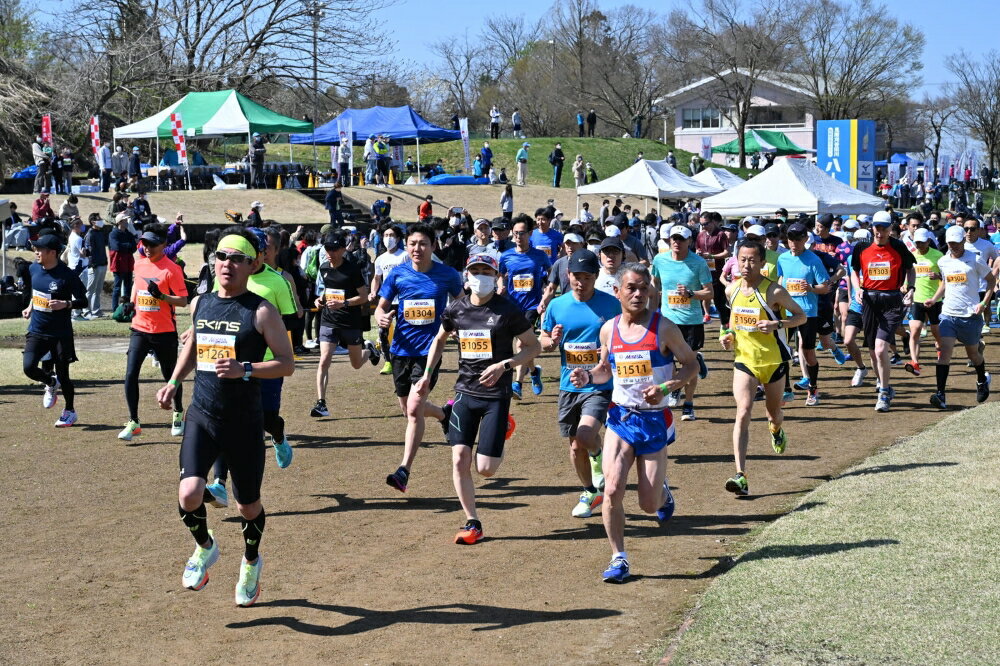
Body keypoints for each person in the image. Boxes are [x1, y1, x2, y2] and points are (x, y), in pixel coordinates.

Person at [157, 229, 293, 606]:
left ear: (254, 264)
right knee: (189, 494)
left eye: (236, 258)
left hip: (244, 422)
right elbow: (194, 345)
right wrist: (173, 381)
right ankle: (205, 547)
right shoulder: (200, 303)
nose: (226, 264)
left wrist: (246, 369)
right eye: (221, 256)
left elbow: (287, 364)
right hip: (203, 414)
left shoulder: (262, 311)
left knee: (247, 506)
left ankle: (251, 562)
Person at [568, 263, 695, 583]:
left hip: (654, 421)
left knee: (649, 504)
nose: (638, 294)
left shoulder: (663, 328)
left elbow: (692, 364)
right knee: (611, 489)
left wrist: (668, 387)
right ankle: (618, 557)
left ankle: (663, 493)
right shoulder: (609, 329)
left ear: (651, 291)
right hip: (621, 418)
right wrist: (587, 376)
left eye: (643, 288)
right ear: (618, 292)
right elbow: (604, 370)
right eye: (631, 288)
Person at [420, 254, 539, 543]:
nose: (481, 276)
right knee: (460, 459)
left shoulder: (508, 310)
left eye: (487, 271)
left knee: (485, 469)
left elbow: (533, 347)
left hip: (496, 396)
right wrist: (426, 375)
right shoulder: (455, 309)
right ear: (467, 276)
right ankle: (472, 522)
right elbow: (439, 340)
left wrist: (504, 365)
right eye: (476, 271)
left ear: (497, 277)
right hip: (464, 392)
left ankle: (502, 426)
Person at [375, 224, 464, 492]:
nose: (417, 248)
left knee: (414, 410)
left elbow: (461, 303)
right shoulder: (398, 275)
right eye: (413, 243)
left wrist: (460, 326)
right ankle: (444, 413)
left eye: (423, 243)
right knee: (408, 408)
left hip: (429, 351)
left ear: (433, 246)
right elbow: (381, 306)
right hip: (400, 350)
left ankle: (404, 470)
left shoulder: (447, 275)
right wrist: (380, 316)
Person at [720, 241, 806, 496]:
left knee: (773, 412)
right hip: (745, 361)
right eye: (742, 260)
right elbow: (731, 325)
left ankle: (776, 429)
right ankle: (740, 474)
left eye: (752, 260)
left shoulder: (774, 291)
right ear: (736, 260)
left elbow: (800, 317)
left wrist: (776, 324)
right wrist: (726, 338)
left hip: (773, 361)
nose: (747, 265)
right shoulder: (731, 291)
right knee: (743, 411)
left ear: (761, 263)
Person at [540, 249, 621, 518]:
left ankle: (599, 469)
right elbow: (544, 341)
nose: (580, 282)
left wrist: (608, 355)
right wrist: (551, 340)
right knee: (575, 446)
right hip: (568, 384)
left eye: (587, 277)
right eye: (576, 276)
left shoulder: (611, 305)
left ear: (595, 277)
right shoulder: (557, 305)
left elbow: (626, 336)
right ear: (568, 274)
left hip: (599, 383)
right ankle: (590, 491)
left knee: (587, 435)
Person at [118, 229, 189, 441]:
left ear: (163, 244)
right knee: (130, 374)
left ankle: (178, 413)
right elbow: (136, 286)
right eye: (144, 244)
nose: (147, 249)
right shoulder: (139, 263)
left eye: (152, 245)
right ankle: (134, 422)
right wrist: (131, 303)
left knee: (170, 376)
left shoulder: (172, 269)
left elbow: (183, 301)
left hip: (164, 331)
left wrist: (162, 296)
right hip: (139, 328)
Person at [850, 210, 916, 412]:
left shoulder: (898, 246)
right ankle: (884, 384)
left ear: (890, 229)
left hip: (892, 300)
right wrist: (858, 288)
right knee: (872, 350)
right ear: (872, 228)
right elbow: (854, 270)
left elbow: (910, 268)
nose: (880, 231)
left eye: (884, 228)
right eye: (877, 227)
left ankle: (884, 392)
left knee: (880, 349)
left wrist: (911, 289)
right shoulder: (861, 248)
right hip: (869, 300)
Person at [311, 231, 381, 417]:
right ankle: (321, 403)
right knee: (324, 360)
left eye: (334, 249)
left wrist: (345, 303)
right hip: (328, 320)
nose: (330, 252)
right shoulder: (324, 267)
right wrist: (320, 299)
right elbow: (327, 290)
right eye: (327, 248)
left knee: (356, 364)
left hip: (350, 322)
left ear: (342, 249)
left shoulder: (352, 269)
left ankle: (370, 350)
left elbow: (364, 297)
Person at [21, 233, 88, 427]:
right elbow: (37, 292)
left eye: (40, 249)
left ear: (52, 252)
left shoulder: (67, 275)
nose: (36, 252)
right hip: (37, 330)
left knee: (64, 374)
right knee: (28, 367)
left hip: (60, 333)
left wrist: (66, 304)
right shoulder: (33, 268)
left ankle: (70, 411)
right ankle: (50, 383)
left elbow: (83, 301)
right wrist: (31, 306)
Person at [926, 225, 994, 409]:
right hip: (949, 314)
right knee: (943, 352)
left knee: (973, 355)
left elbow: (991, 281)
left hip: (970, 315)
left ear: (963, 240)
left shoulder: (975, 259)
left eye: (956, 243)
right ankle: (940, 395)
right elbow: (945, 282)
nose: (953, 246)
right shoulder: (943, 261)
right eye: (950, 243)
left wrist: (984, 303)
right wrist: (934, 299)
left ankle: (982, 380)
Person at [651, 224, 713, 420]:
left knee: (689, 366)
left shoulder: (699, 263)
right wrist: (651, 312)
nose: (676, 242)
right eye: (674, 238)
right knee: (669, 365)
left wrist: (691, 294)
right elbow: (654, 284)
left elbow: (709, 292)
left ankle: (689, 404)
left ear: (689, 241)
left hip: (691, 322)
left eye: (681, 239)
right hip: (668, 322)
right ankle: (677, 386)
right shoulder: (660, 260)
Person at [776, 224, 836, 406]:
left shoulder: (814, 260)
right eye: (791, 238)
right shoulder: (782, 258)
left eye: (798, 239)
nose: (794, 243)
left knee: (808, 352)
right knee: (782, 351)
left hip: (807, 312)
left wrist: (810, 288)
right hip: (786, 311)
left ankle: (813, 387)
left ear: (805, 240)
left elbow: (825, 287)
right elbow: (780, 280)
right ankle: (785, 390)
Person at [498, 216, 551, 399]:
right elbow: (500, 274)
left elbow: (550, 275)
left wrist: (546, 294)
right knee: (525, 344)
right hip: (512, 305)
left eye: (522, 233)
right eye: (516, 233)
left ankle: (517, 384)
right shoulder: (506, 256)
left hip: (532, 305)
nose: (519, 236)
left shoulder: (540, 256)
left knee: (521, 343)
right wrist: (500, 285)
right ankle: (534, 371)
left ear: (530, 233)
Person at [368, 225, 408, 377]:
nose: (388, 238)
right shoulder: (380, 259)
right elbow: (376, 278)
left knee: (403, 331)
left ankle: (405, 360)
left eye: (391, 235)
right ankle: (388, 361)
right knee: (382, 331)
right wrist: (373, 291)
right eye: (385, 235)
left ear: (398, 238)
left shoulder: (404, 256)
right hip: (386, 300)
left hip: (403, 300)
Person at [905, 228, 943, 377]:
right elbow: (908, 274)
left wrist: (938, 275)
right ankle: (914, 363)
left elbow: (947, 277)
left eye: (922, 242)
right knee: (915, 331)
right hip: (917, 300)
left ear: (928, 241)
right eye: (917, 242)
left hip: (934, 300)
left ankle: (941, 352)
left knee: (937, 333)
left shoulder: (938, 256)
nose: (919, 245)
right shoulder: (911, 256)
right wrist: (904, 285)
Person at [696, 211, 732, 328]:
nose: (704, 227)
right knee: (704, 294)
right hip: (703, 271)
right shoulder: (701, 235)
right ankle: (706, 314)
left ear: (712, 222)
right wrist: (698, 253)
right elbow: (697, 249)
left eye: (706, 224)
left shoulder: (720, 234)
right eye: (701, 224)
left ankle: (725, 323)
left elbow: (727, 253)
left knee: (718, 300)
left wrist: (711, 256)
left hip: (717, 272)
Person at [108, 212, 137, 314]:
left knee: (128, 286)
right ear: (120, 222)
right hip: (119, 263)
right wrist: (128, 246)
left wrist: (126, 246)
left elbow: (134, 247)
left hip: (128, 263)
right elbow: (116, 246)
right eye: (125, 220)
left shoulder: (128, 233)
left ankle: (127, 307)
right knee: (117, 287)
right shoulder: (113, 233)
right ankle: (115, 308)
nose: (127, 222)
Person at [83, 215, 109, 318]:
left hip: (102, 264)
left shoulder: (100, 233)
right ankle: (86, 311)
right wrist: (92, 264)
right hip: (94, 266)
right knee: (90, 290)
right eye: (99, 219)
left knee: (98, 290)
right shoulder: (90, 234)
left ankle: (96, 310)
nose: (101, 221)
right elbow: (89, 251)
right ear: (93, 222)